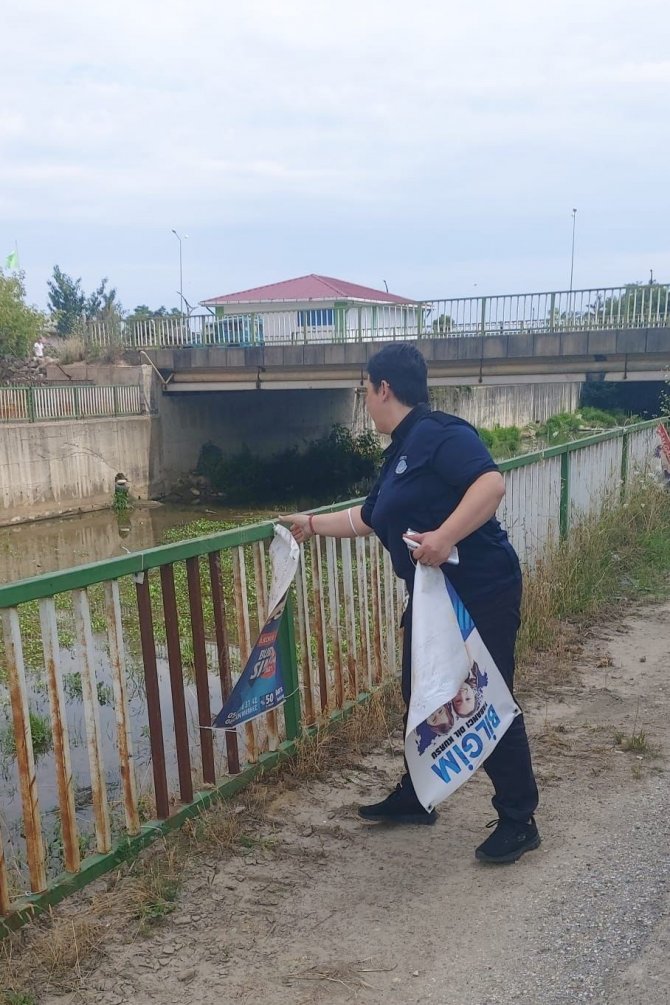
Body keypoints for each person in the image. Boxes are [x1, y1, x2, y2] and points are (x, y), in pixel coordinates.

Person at [282, 342, 540, 864]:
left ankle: (520, 819)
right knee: (418, 689)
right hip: (433, 600)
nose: (364, 400)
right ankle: (419, 794)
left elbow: (490, 485)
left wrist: (445, 536)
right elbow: (367, 518)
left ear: (384, 388)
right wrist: (310, 525)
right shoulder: (398, 450)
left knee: (487, 697)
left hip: (481, 592)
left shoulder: (442, 434)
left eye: (365, 389)